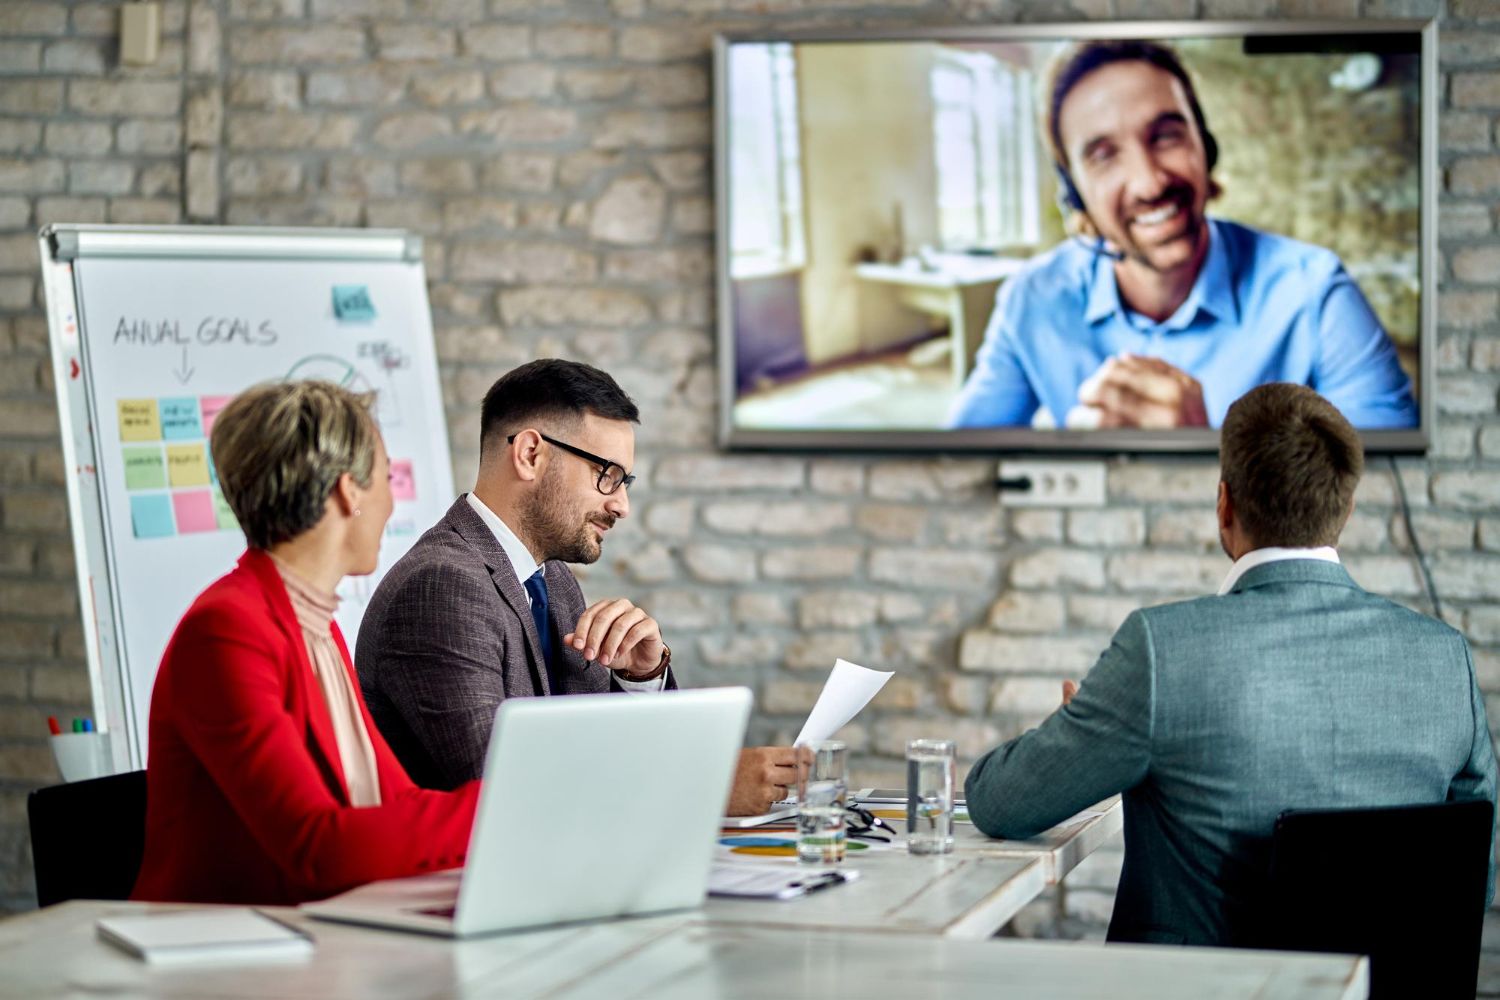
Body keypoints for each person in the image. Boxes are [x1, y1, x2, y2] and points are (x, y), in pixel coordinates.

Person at [963, 383, 1495, 946]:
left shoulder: (1162, 650)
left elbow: (999, 804)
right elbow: (1473, 877)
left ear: (1224, 505)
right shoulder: (1446, 658)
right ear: (1346, 509)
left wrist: (1082, 732)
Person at [357, 359, 797, 814]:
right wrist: (704, 787)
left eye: (624, 481)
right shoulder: (442, 587)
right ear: (530, 454)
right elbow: (504, 792)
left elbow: (602, 755)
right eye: (606, 474)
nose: (621, 504)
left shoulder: (553, 581)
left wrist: (638, 679)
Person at [947, 39, 1418, 431]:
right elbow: (951, 467)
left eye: (1167, 136)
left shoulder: (1315, 293)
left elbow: (1391, 491)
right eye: (1104, 154)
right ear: (1075, 193)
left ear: (1204, 147)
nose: (1150, 182)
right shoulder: (1030, 300)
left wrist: (1206, 452)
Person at [132, 381, 479, 905]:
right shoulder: (225, 632)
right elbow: (316, 846)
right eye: (386, 478)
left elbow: (393, 797)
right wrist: (501, 806)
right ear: (349, 492)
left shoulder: (317, 624)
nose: (392, 500)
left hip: (310, 935)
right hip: (216, 963)